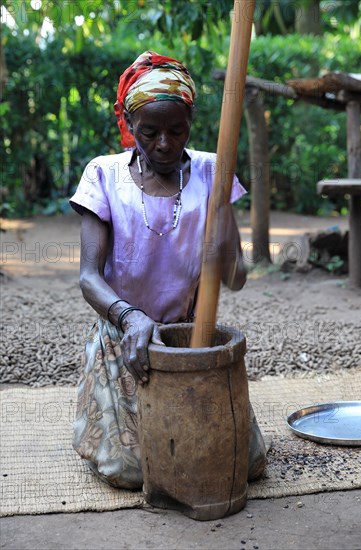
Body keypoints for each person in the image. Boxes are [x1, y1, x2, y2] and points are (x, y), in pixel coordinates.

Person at [70, 51, 267, 489]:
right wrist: (130, 316)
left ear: (191, 121)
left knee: (245, 461)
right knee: (132, 468)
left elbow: (235, 278)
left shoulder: (214, 171)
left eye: (176, 130)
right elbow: (88, 276)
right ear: (128, 124)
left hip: (188, 337)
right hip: (124, 336)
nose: (164, 143)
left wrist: (225, 220)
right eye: (149, 132)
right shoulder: (103, 175)